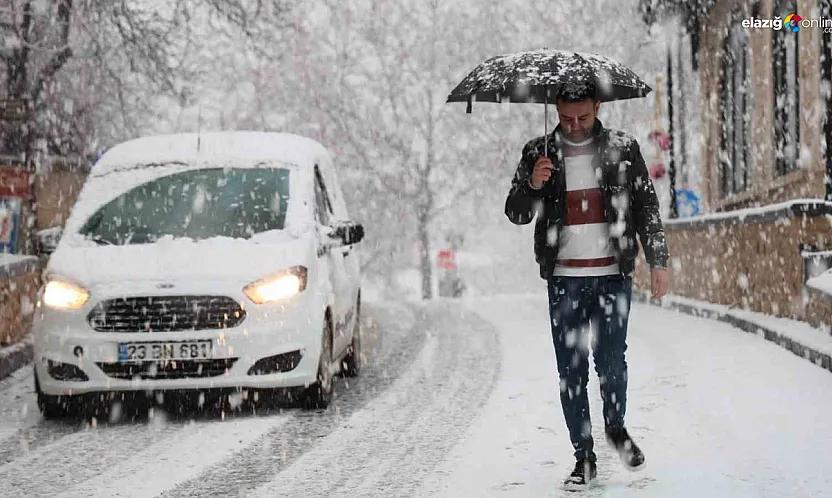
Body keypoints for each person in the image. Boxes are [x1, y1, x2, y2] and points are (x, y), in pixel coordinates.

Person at [504, 81, 670, 488]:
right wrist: (533, 185)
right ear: (555, 111)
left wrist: (658, 260)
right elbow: (516, 212)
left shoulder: (623, 148)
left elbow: (646, 205)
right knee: (571, 370)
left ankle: (616, 427)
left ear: (598, 106)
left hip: (613, 276)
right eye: (565, 118)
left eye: (583, 116)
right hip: (564, 280)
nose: (575, 125)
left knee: (612, 364)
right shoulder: (537, 153)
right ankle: (585, 457)